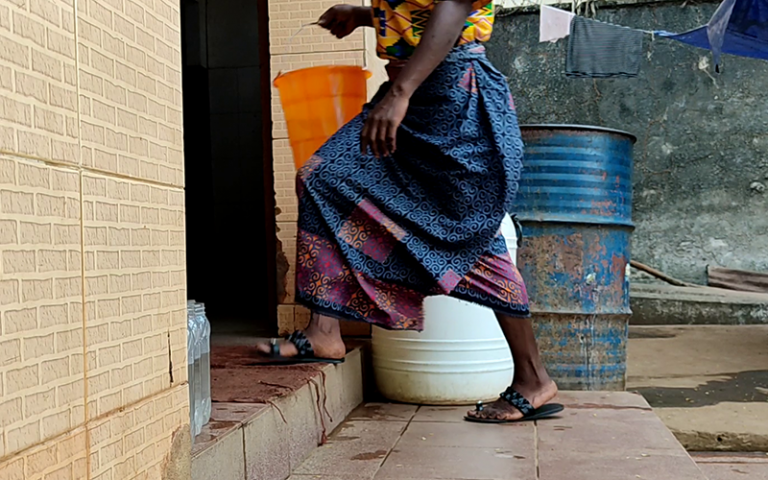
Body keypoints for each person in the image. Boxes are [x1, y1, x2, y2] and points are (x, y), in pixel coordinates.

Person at [257, 0, 562, 423]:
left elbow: (454, 4)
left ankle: (533, 377)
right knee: (323, 178)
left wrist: (401, 92)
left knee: (472, 239)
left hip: (458, 103)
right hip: (410, 99)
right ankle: (323, 331)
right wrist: (365, 15)